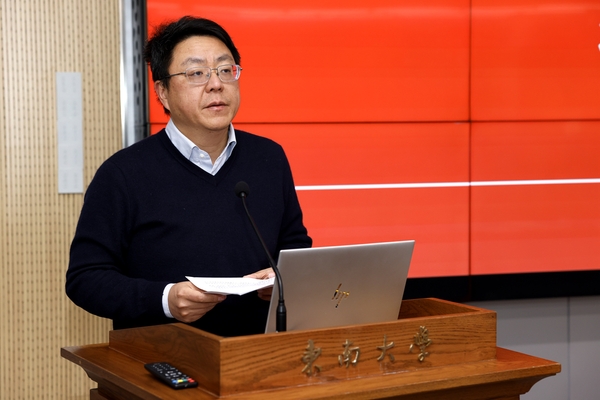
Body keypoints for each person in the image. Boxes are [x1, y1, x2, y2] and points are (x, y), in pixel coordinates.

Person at [65, 16, 312, 337]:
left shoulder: (269, 158)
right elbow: (86, 278)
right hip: (164, 355)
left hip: (258, 351)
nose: (216, 84)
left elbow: (295, 248)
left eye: (225, 70)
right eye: (196, 73)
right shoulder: (122, 173)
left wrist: (282, 277)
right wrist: (165, 299)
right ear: (163, 92)